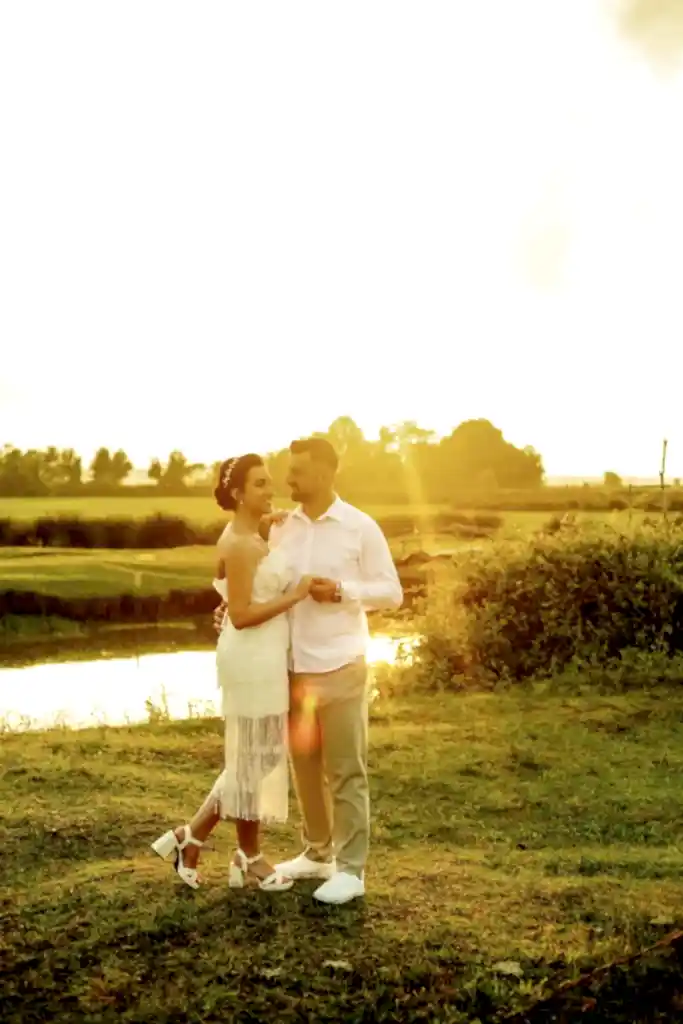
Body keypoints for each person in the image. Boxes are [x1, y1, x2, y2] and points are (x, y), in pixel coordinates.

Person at [215, 437, 403, 904]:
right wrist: (229, 610)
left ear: (324, 472)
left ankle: (351, 870)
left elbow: (391, 592)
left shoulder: (360, 526)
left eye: (297, 471)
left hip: (340, 663)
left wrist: (340, 590)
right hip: (291, 667)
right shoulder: (280, 528)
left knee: (345, 770)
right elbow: (259, 586)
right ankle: (318, 853)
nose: (288, 479)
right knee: (305, 767)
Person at [151, 453, 312, 892]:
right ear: (238, 493)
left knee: (257, 758)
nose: (270, 489)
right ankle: (245, 855)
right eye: (260, 484)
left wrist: (274, 520)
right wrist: (295, 595)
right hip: (251, 658)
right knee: (253, 760)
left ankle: (194, 837)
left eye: (269, 481)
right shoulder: (239, 543)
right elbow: (241, 615)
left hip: (265, 654)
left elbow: (237, 593)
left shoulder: (252, 533)